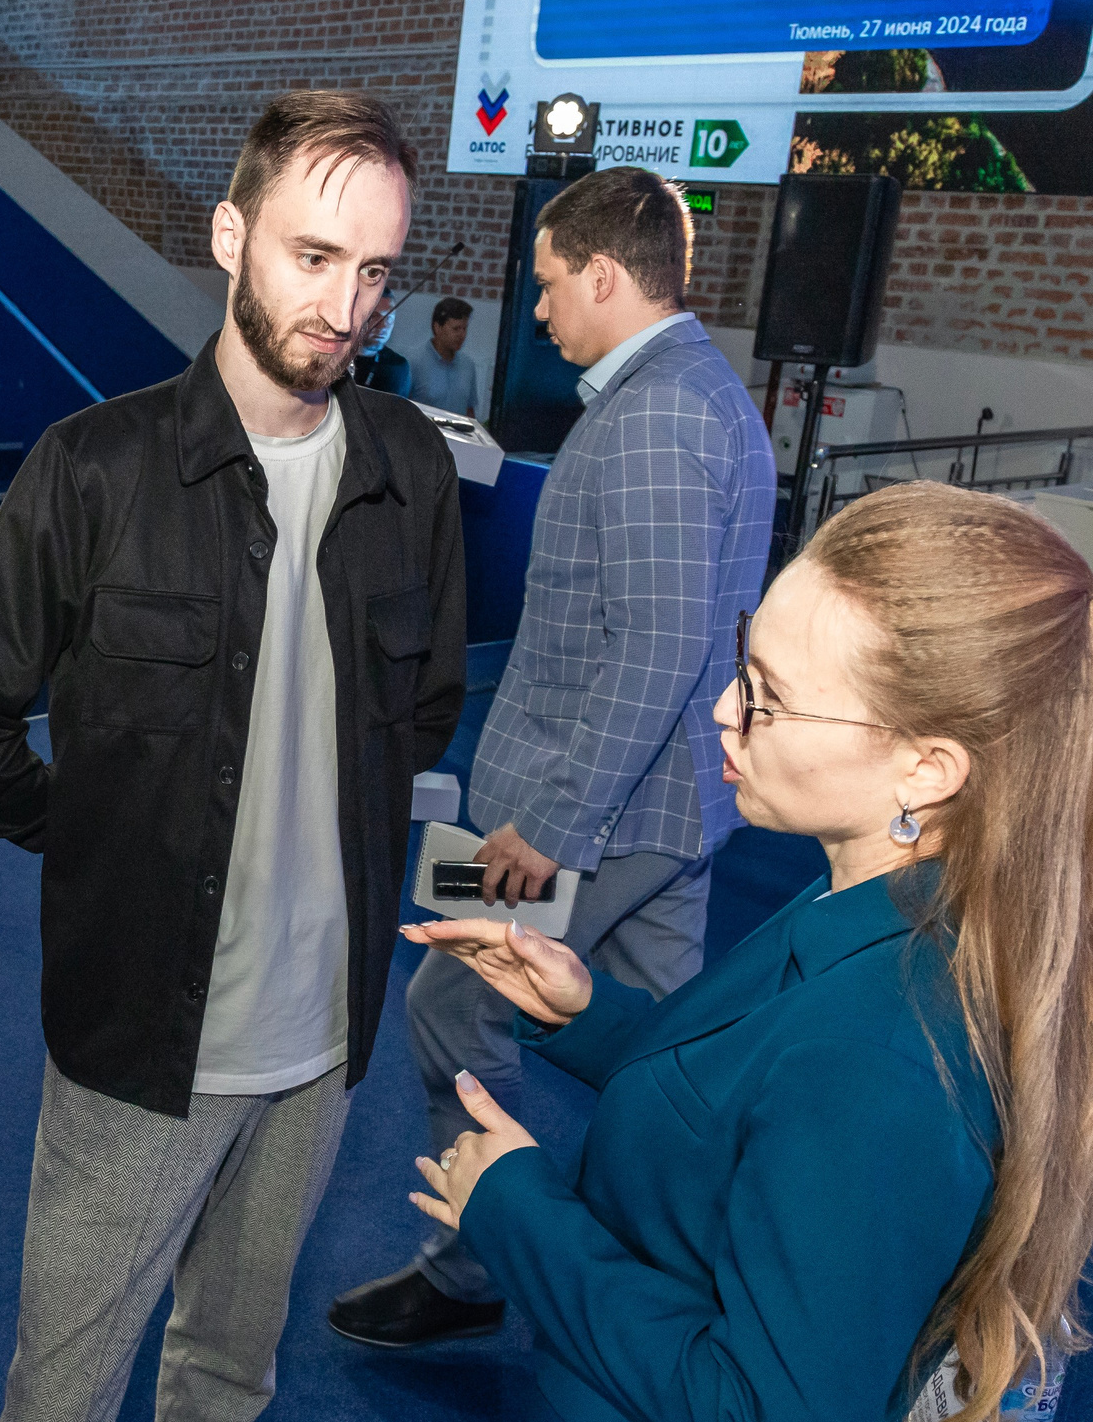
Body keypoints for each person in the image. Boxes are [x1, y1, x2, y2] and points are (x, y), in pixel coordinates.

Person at [0, 90, 466, 1422]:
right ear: (230, 235)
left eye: (375, 273)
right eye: (311, 254)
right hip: (142, 1045)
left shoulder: (411, 470)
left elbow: (425, 717)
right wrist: (97, 838)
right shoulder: (94, 469)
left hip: (320, 1048)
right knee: (58, 1410)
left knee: (228, 1382)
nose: (343, 305)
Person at [400, 481, 1093, 1422]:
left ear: (925, 769)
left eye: (766, 696)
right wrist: (583, 1011)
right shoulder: (866, 901)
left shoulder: (886, 1052)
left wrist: (514, 1206)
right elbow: (747, 1099)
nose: (722, 715)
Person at [329, 164, 774, 1349]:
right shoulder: (688, 393)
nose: (535, 310)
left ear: (603, 275)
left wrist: (553, 830)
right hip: (659, 814)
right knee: (676, 1051)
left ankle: (481, 1257)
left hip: (594, 818)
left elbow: (659, 648)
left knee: (441, 999)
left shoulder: (662, 412)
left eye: (545, 285)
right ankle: (691, 1274)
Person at [403, 296, 480, 417]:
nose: (462, 335)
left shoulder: (468, 365)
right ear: (437, 327)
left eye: (464, 328)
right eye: (456, 329)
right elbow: (400, 408)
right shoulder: (413, 362)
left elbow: (469, 412)